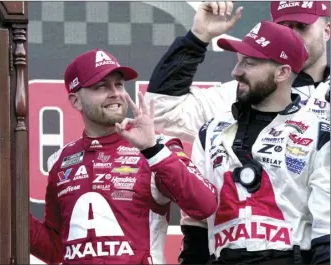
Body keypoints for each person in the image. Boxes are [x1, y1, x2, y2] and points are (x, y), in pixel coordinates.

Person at [28, 48, 218, 264]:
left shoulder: (157, 147)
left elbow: (205, 206)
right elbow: (55, 250)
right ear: (75, 101)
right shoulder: (60, 160)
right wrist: (9, 212)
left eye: (118, 84)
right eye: (101, 86)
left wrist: (152, 150)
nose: (115, 93)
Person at [172, 19, 330, 264]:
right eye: (238, 61)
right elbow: (197, 226)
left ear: (282, 72)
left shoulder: (317, 133)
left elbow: (326, 230)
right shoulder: (211, 130)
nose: (236, 72)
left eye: (250, 63)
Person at [145, 1, 330, 146]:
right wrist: (197, 37)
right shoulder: (241, 93)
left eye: (301, 26)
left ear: (326, 31)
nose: (293, 35)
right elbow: (163, 112)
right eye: (284, 27)